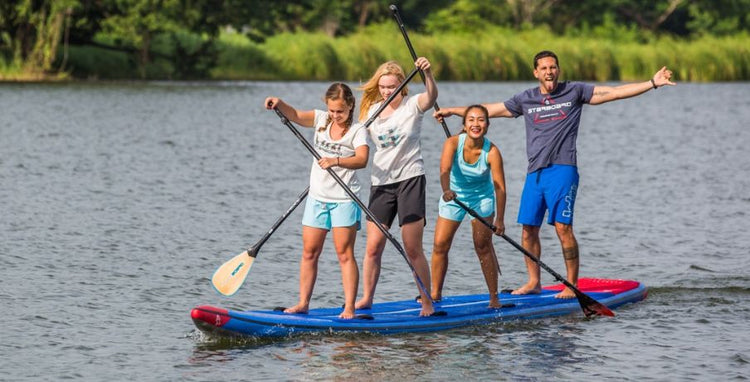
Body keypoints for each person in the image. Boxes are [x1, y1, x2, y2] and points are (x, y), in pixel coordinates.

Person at [435, 50, 675, 298]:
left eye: (553, 67)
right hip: (535, 172)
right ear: (536, 72)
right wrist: (453, 110)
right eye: (544, 68)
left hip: (563, 169)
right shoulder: (525, 99)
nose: (549, 72)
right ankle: (533, 282)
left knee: (563, 228)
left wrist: (652, 83)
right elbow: (489, 110)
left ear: (557, 70)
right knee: (528, 229)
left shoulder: (574, 91)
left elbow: (612, 93)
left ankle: (572, 284)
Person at [264, 83, 369, 319]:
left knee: (344, 254)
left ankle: (350, 307)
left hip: (344, 199)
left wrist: (336, 161)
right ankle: (303, 303)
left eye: (340, 111)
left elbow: (362, 159)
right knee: (309, 252)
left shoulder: (358, 130)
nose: (335, 115)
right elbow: (296, 115)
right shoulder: (321, 120)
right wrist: (279, 103)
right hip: (317, 198)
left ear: (350, 106)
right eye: (332, 110)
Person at [355, 57, 438, 316]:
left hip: (410, 179)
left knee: (412, 247)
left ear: (402, 86)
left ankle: (427, 301)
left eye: (392, 86)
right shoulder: (371, 113)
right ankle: (367, 298)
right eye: (383, 87)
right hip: (381, 183)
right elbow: (356, 140)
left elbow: (432, 97)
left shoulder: (413, 105)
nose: (387, 91)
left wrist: (428, 74)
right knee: (373, 247)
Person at [430, 104, 507, 308]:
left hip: (481, 198)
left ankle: (493, 298)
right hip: (453, 195)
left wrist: (500, 219)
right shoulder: (452, 143)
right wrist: (446, 190)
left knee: (482, 246)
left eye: (481, 120)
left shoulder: (492, 152)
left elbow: (500, 188)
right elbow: (444, 170)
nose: (476, 124)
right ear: (464, 125)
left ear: (487, 125)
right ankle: (435, 294)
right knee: (440, 245)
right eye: (471, 120)